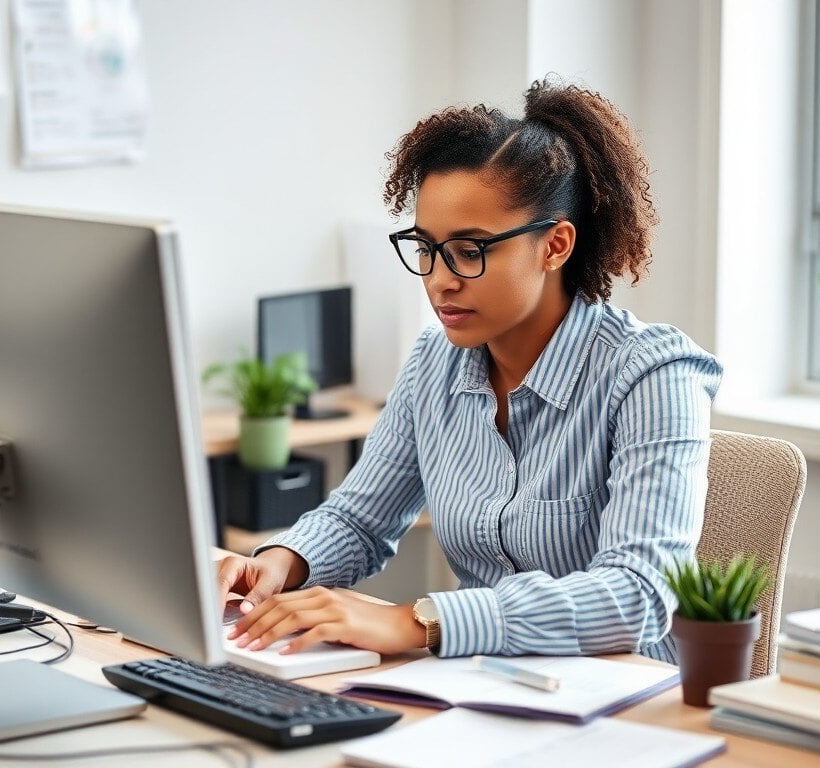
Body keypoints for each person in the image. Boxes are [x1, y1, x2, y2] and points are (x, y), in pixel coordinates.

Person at [218, 76, 722, 664]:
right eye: (427, 247)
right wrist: (283, 562)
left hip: (624, 705)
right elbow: (360, 518)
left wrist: (421, 620)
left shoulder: (654, 375)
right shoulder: (435, 361)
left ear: (555, 245)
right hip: (478, 686)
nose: (439, 279)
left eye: (470, 249)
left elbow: (638, 596)